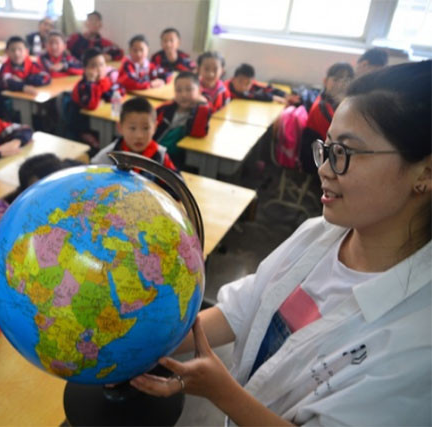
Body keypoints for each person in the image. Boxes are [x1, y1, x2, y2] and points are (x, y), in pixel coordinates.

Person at [131, 60, 432, 426]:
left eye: (346, 153)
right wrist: (137, 345)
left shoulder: (418, 341)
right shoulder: (318, 234)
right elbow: (243, 307)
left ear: (425, 172)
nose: (324, 168)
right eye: (327, 148)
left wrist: (221, 391)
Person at [92, 96, 178, 178]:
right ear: (120, 127)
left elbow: (175, 183)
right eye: (132, 128)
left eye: (146, 128)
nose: (139, 136)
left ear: (155, 127)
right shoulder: (108, 157)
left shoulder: (161, 156)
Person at [300, 62, 354, 173]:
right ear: (325, 81)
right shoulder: (322, 108)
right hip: (319, 161)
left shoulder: (335, 102)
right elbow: (340, 140)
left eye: (347, 80)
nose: (341, 85)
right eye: (336, 80)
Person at [153, 71, 211, 167]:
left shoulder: (200, 111)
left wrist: (203, 106)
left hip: (179, 159)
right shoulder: (165, 109)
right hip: (156, 153)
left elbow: (198, 133)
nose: (183, 95)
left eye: (189, 90)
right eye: (178, 90)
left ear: (199, 91)